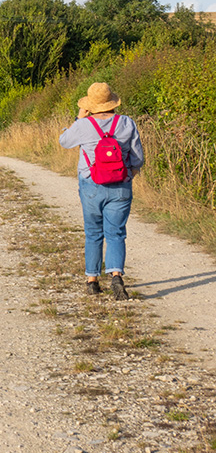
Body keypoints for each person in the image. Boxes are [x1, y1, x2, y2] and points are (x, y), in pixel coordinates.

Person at [59, 82, 145, 299]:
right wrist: (129, 175)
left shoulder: (83, 125)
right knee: (116, 233)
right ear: (112, 103)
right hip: (120, 185)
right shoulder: (126, 123)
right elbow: (137, 158)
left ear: (90, 106)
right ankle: (116, 276)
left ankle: (92, 280)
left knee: (93, 232)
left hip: (91, 185)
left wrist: (79, 117)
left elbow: (64, 142)